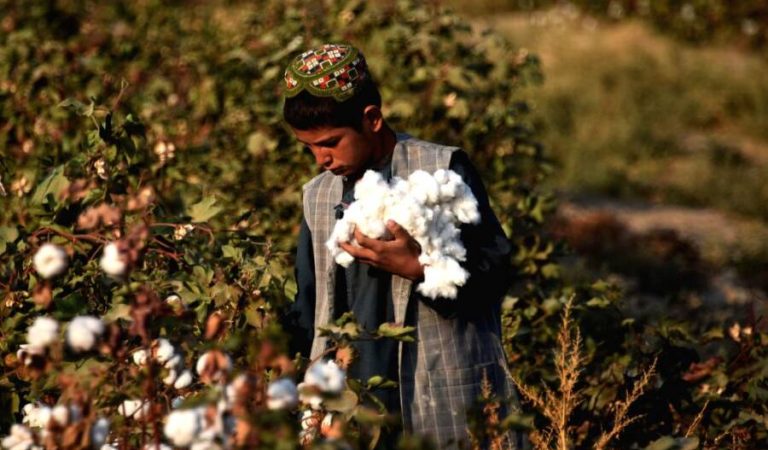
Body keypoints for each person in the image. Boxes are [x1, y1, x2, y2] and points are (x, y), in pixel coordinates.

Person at [282, 43, 526, 449]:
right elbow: (310, 306)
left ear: (372, 119)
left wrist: (420, 269)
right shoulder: (319, 196)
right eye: (308, 147)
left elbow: (497, 272)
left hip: (440, 391)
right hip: (352, 407)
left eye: (330, 142)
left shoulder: (441, 171)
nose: (320, 159)